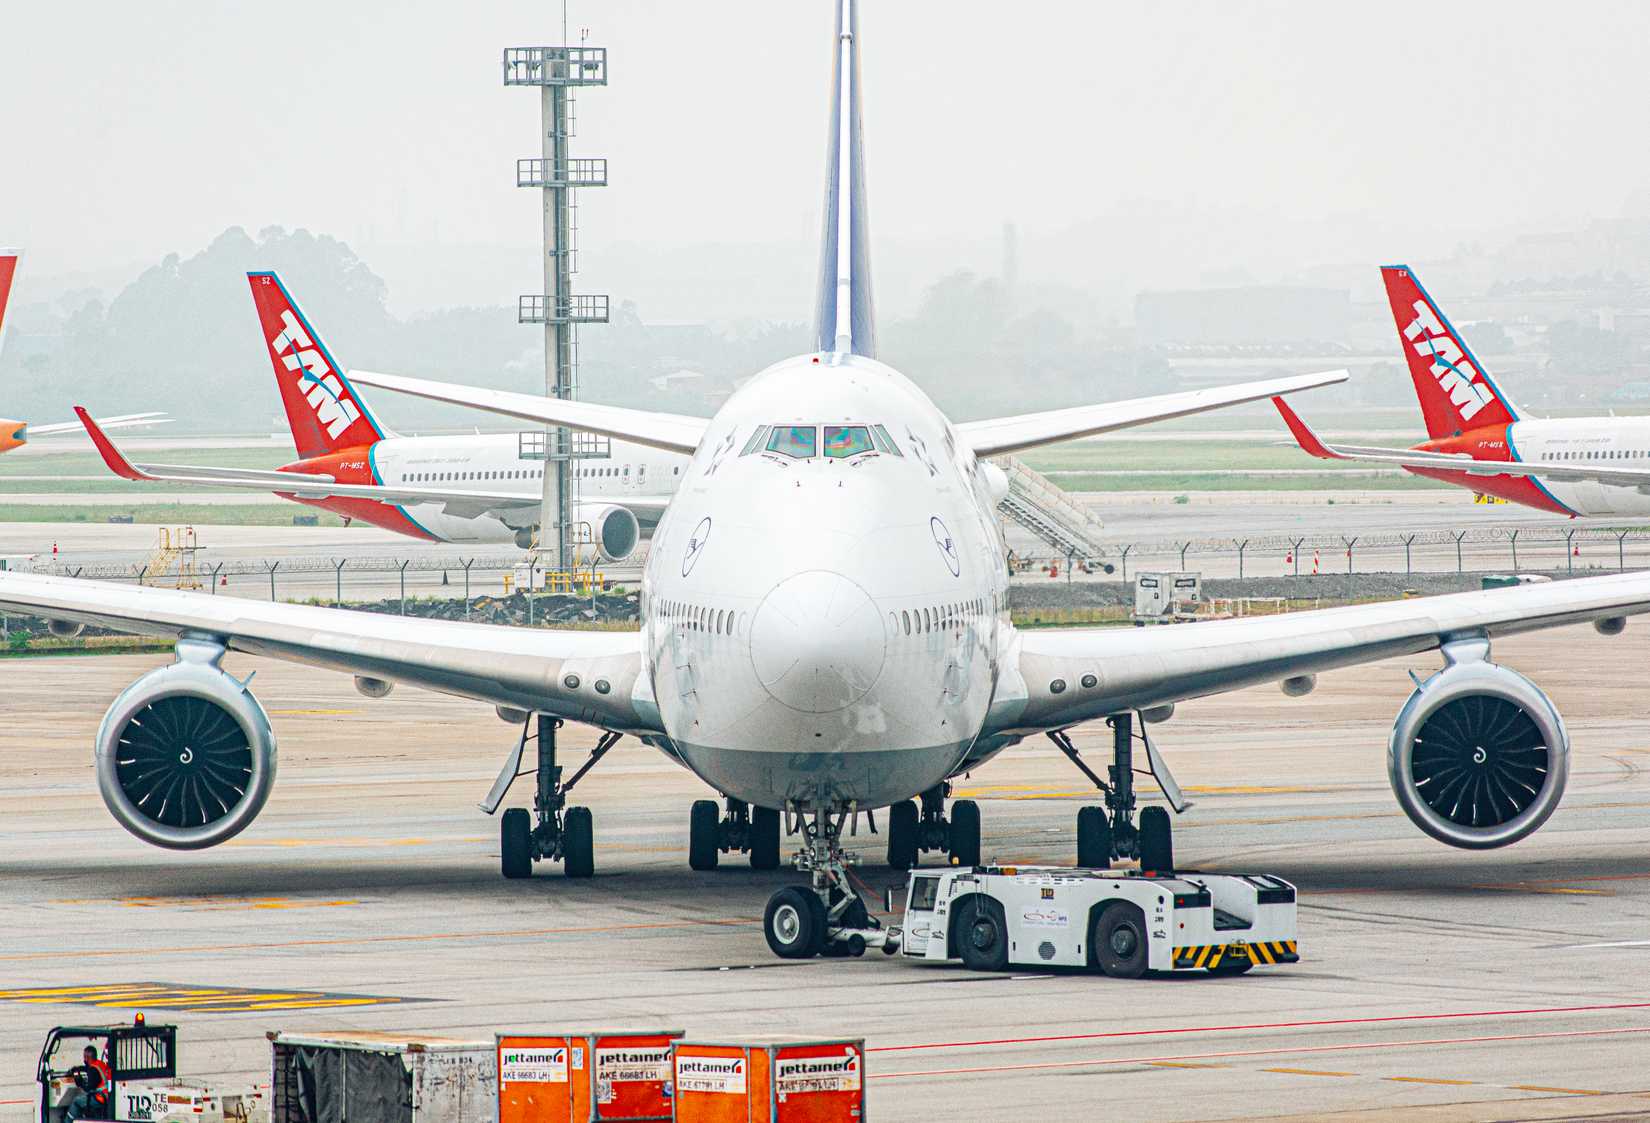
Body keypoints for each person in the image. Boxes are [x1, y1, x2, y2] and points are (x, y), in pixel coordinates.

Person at [64, 1044, 111, 1121]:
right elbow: (86, 1068)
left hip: (100, 1098)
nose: (84, 1059)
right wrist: (77, 1068)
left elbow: (89, 1088)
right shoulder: (100, 1064)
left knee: (76, 1101)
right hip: (107, 1096)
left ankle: (68, 1121)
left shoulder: (93, 1070)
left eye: (84, 1057)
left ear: (87, 1057)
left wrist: (80, 1083)